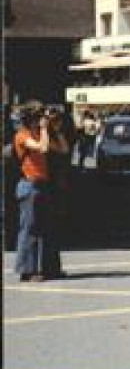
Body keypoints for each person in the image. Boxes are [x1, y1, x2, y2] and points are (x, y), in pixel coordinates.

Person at [13, 107, 68, 281]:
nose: (41, 121)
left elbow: (63, 149)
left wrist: (55, 131)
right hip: (29, 185)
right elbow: (43, 148)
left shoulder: (40, 134)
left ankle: (50, 268)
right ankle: (27, 271)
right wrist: (44, 129)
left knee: (48, 228)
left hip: (43, 185)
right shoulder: (22, 135)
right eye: (39, 118)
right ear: (32, 119)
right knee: (30, 229)